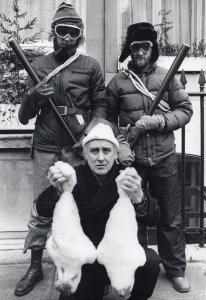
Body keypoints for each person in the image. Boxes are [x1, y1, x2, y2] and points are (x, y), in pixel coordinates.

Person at [14, 2, 110, 297]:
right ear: (53, 33)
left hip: (76, 145)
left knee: (81, 207)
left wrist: (88, 135)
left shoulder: (91, 66)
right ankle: (35, 265)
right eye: (62, 31)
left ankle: (81, 266)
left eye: (73, 32)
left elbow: (101, 106)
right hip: (45, 144)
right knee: (42, 207)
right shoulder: (38, 66)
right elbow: (23, 116)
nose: (67, 38)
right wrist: (33, 96)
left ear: (80, 35)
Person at [106, 22, 193, 293]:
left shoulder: (167, 77)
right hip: (132, 161)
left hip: (164, 157)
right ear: (129, 50)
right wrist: (120, 143)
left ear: (153, 48)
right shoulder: (118, 82)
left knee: (170, 216)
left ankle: (175, 269)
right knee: (131, 217)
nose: (141, 51)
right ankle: (137, 267)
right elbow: (105, 119)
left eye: (145, 46)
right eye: (135, 47)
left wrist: (157, 121)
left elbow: (185, 110)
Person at [35, 122, 161, 300]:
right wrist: (56, 190)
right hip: (87, 259)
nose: (100, 157)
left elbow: (154, 217)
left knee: (151, 262)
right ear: (85, 154)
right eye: (94, 151)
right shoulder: (74, 176)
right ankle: (97, 287)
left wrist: (139, 197)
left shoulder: (126, 176)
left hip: (122, 256)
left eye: (106, 150)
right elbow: (42, 209)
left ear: (116, 154)